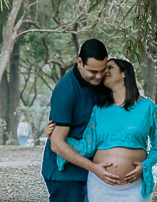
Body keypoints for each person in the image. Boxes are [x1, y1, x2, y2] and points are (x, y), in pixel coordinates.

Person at [51, 58, 157, 201]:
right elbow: (87, 146)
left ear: (124, 73)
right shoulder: (99, 109)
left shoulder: (148, 107)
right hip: (100, 185)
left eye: (110, 67)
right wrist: (55, 136)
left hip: (134, 188)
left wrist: (145, 166)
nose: (105, 71)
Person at [42, 39, 111, 202]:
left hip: (92, 172)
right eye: (93, 71)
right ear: (80, 62)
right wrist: (94, 168)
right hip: (65, 175)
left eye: (103, 70)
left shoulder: (100, 82)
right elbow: (57, 144)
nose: (99, 76)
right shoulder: (66, 91)